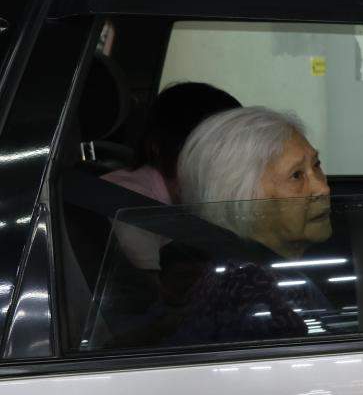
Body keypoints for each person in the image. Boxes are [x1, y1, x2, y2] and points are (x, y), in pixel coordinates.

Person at [157, 107, 334, 345]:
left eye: (317, 165)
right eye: (297, 176)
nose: (323, 189)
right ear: (241, 198)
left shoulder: (252, 276)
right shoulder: (255, 293)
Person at [101, 82, 241, 269]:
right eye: (214, 153)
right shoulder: (133, 210)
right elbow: (148, 293)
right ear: (162, 148)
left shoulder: (179, 203)